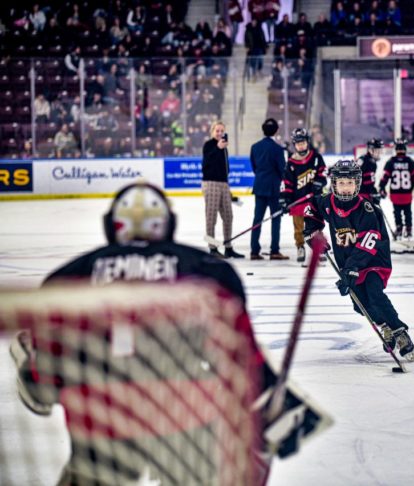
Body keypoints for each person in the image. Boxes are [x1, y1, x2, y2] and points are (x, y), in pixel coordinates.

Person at [10, 182, 330, 485]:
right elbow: (241, 357)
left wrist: (34, 376)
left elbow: (46, 376)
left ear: (112, 225)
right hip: (186, 423)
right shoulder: (208, 270)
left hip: (102, 429)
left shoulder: (69, 276)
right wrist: (275, 405)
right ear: (168, 224)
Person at [303, 160, 414, 360]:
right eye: (341, 183)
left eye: (350, 183)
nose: (346, 188)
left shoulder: (366, 208)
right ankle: (384, 326)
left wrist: (352, 268)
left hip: (374, 259)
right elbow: (311, 208)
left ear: (357, 184)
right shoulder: (327, 202)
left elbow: (368, 242)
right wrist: (312, 232)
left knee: (374, 293)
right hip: (348, 261)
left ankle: (399, 331)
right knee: (359, 303)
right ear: (334, 184)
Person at [279, 128, 327, 263]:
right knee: (299, 228)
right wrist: (284, 199)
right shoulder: (291, 162)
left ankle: (318, 248)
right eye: (298, 143)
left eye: (303, 142)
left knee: (315, 226)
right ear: (294, 145)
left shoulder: (316, 158)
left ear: (307, 142)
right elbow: (287, 182)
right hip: (298, 201)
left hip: (314, 201)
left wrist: (319, 182)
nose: (301, 145)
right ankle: (300, 246)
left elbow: (323, 172)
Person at [202, 121, 244, 258]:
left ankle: (228, 246)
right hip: (211, 183)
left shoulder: (224, 147)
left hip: (224, 184)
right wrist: (217, 148)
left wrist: (227, 186)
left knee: (228, 216)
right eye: (217, 131)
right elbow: (206, 163)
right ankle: (212, 248)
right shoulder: (209, 145)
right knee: (211, 217)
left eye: (222, 131)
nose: (220, 133)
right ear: (212, 131)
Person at [249, 118, 289, 260]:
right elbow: (282, 169)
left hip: (259, 186)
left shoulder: (255, 147)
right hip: (273, 188)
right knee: (276, 219)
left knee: (257, 219)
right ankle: (274, 250)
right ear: (276, 130)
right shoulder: (278, 149)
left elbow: (254, 167)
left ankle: (254, 251)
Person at [378, 138, 414, 239]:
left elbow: (385, 177)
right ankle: (408, 230)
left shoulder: (391, 162)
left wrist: (382, 187)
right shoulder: (410, 162)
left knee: (397, 212)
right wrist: (410, 189)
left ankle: (399, 228)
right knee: (408, 211)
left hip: (395, 193)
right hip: (406, 193)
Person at [356, 137, 384, 204]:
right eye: (377, 151)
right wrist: (374, 192)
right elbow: (368, 182)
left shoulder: (362, 158)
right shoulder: (371, 162)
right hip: (364, 195)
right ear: (370, 150)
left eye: (380, 151)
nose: (379, 153)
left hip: (357, 193)